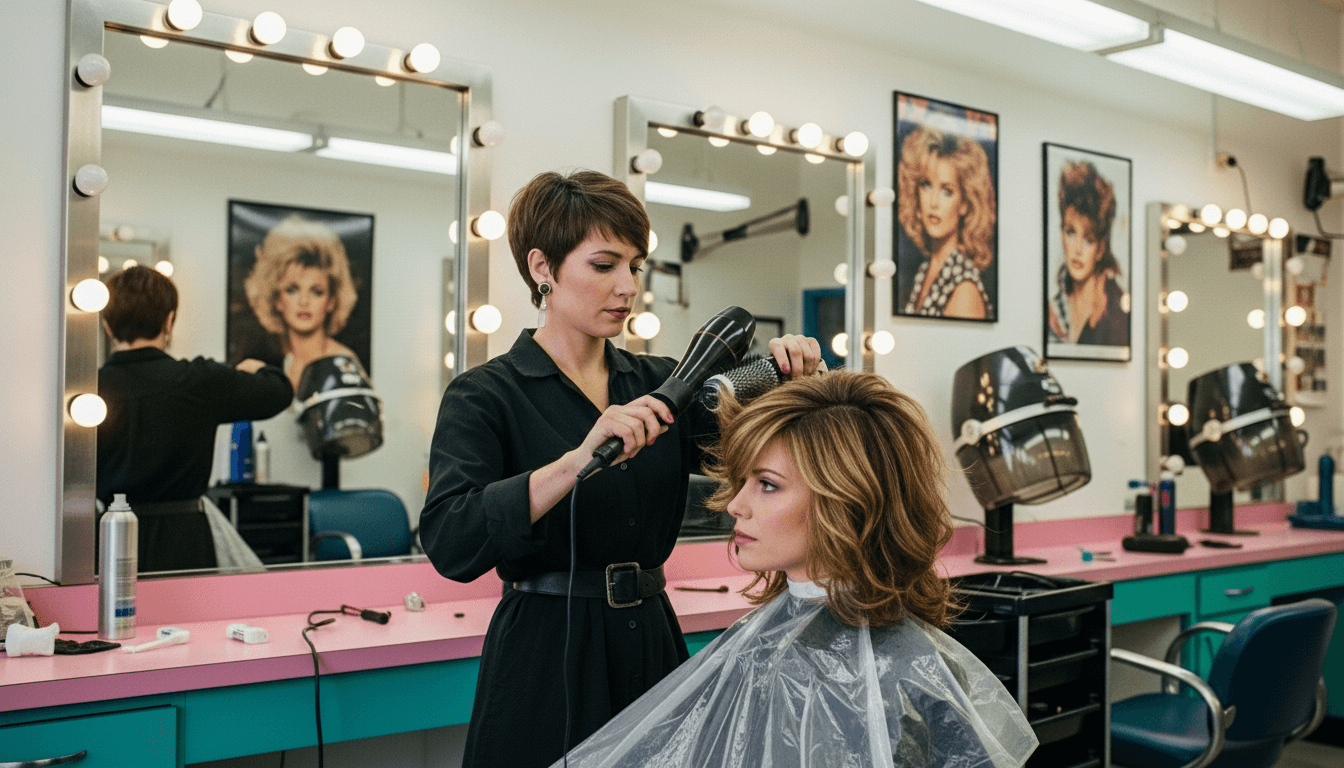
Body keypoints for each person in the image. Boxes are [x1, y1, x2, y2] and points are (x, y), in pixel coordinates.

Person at [419, 169, 823, 768]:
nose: (627, 287)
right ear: (542, 268)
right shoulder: (486, 395)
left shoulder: (664, 383)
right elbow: (451, 540)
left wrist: (798, 384)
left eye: (635, 266)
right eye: (604, 265)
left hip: (652, 641)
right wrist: (576, 462)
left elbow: (766, 462)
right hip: (544, 652)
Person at [553, 372, 1039, 767]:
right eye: (744, 480)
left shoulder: (904, 667)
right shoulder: (766, 642)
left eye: (767, 484)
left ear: (844, 500)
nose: (736, 505)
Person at [97, 265, 293, 506]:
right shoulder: (198, 381)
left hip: (110, 534)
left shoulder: (86, 393)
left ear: (107, 326)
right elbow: (280, 392)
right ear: (169, 321)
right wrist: (256, 367)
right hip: (185, 535)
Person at [243, 215, 363, 391]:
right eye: (292, 290)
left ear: (331, 301)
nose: (304, 302)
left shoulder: (343, 363)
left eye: (317, 292)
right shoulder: (286, 362)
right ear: (277, 300)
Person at [898, 126, 996, 320]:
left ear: (965, 204)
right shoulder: (927, 269)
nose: (933, 202)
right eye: (926, 185)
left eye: (947, 191)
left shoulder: (964, 288)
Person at [1047, 161, 1128, 346]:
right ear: (1061, 235)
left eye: (1089, 239)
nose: (1078, 250)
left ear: (1100, 249)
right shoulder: (1053, 312)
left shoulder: (1115, 312)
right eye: (1071, 232)